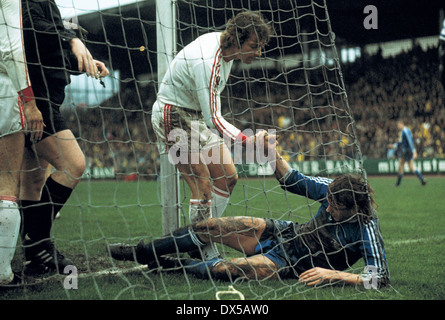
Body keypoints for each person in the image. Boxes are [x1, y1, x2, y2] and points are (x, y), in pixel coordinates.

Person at [109, 138, 390, 288]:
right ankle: (143, 251)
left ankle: (170, 265)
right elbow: (291, 179)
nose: (327, 207)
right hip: (286, 232)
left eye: (334, 208)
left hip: (291, 264)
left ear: (353, 209)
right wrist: (271, 152)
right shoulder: (332, 189)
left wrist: (333, 275)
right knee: (210, 227)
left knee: (225, 269)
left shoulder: (367, 229)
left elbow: (380, 277)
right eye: (326, 202)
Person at [151, 11, 274, 260]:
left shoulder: (225, 54)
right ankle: (200, 247)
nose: (258, 52)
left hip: (195, 115)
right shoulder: (207, 60)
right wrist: (246, 141)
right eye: (254, 46)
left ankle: (202, 235)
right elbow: (214, 119)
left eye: (261, 47)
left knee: (228, 177)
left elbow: (209, 114)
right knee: (202, 185)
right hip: (173, 114)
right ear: (236, 39)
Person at [19, 0, 109, 275]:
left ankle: (35, 255)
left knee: (33, 181)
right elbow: (32, 29)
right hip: (37, 99)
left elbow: (48, 53)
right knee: (73, 164)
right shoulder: (26, 3)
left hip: (49, 98)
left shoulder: (47, 5)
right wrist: (72, 38)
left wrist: (84, 62)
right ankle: (37, 243)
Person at [0, 0, 44, 286]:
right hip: (2, 88)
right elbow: (11, 49)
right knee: (6, 183)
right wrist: (29, 102)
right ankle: (3, 272)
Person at [387, 119, 426, 187]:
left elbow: (410, 141)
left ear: (402, 124)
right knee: (411, 167)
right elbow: (401, 143)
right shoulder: (404, 131)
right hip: (407, 151)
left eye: (398, 125)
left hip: (407, 151)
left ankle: (398, 184)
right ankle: (422, 179)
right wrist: (393, 145)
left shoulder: (405, 130)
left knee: (401, 166)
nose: (398, 126)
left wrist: (414, 151)